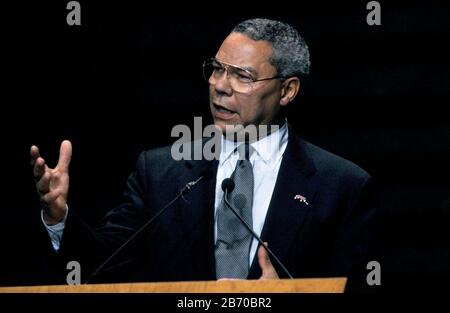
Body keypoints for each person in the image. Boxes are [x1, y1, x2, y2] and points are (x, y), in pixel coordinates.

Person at [30, 18, 376, 286]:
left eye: (242, 76)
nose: (220, 86)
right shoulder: (161, 172)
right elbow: (100, 269)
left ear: (287, 90)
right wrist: (59, 217)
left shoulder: (341, 185)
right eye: (217, 68)